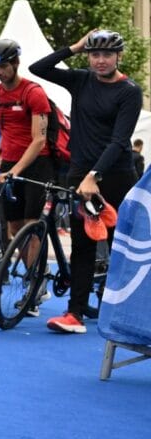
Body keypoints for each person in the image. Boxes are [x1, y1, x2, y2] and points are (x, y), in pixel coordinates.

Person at [29, 30, 142, 333]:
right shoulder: (80, 80)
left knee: (122, 246)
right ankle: (75, 314)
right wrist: (74, 47)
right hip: (80, 175)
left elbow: (119, 141)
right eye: (95, 54)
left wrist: (95, 176)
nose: (101, 60)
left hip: (115, 175)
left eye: (107, 54)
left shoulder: (129, 91)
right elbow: (37, 68)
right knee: (82, 245)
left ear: (119, 56)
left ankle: (129, 311)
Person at [0, 38, 56, 316]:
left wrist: (15, 170)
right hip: (10, 164)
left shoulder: (33, 93)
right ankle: (38, 274)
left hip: (37, 164)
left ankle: (35, 285)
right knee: (14, 228)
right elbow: (5, 128)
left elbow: (39, 140)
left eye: (3, 66)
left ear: (16, 63)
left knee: (31, 225)